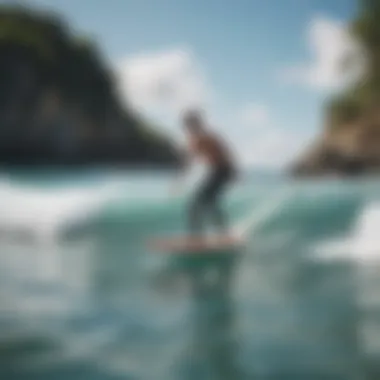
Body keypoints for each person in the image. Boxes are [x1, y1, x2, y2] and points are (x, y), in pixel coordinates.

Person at [173, 109, 237, 239]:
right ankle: (201, 235)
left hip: (223, 171)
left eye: (191, 124)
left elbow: (226, 154)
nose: (189, 127)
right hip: (216, 171)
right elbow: (188, 162)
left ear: (198, 124)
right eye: (187, 125)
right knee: (201, 203)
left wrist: (233, 173)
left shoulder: (208, 137)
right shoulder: (194, 140)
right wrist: (179, 180)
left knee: (202, 202)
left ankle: (216, 234)